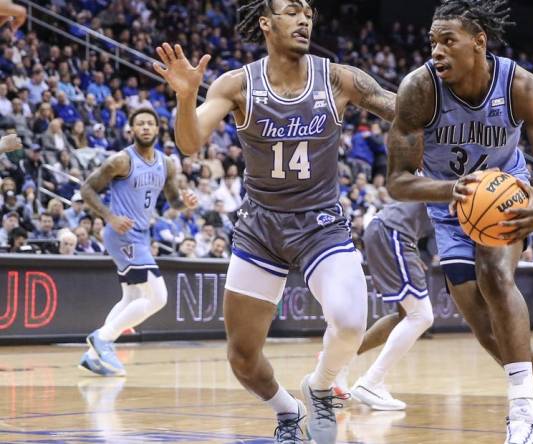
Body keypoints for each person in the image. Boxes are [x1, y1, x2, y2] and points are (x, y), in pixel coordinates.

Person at [154, 1, 397, 442]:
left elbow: (400, 110)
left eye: (308, 11)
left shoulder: (338, 78)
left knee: (349, 321)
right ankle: (288, 412)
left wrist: (448, 105)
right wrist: (186, 96)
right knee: (243, 358)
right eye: (291, 10)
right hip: (261, 227)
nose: (304, 18)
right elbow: (189, 143)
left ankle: (320, 385)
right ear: (266, 23)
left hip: (319, 222)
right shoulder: (237, 84)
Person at [384, 1, 533, 442]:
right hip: (448, 205)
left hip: (507, 196)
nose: (436, 51)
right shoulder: (418, 89)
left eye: (447, 41)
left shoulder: (520, 85)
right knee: (490, 335)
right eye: (432, 42)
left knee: (496, 277)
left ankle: (523, 415)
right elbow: (398, 182)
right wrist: (450, 189)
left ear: (479, 41)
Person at [78, 107, 198, 377]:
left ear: (157, 129)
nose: (145, 127)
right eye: (140, 124)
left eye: (150, 123)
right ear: (131, 130)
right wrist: (109, 216)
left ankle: (93, 355)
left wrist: (185, 204)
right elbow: (86, 189)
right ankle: (103, 338)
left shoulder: (166, 163)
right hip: (122, 233)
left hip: (141, 234)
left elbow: (173, 200)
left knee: (131, 297)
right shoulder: (121, 161)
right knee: (158, 297)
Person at [337, 202, 434, 411]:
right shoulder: (465, 179)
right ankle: (371, 382)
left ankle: (339, 362)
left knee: (406, 317)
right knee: (421, 316)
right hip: (394, 231)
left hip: (391, 229)